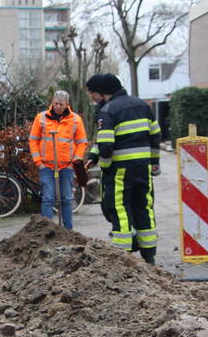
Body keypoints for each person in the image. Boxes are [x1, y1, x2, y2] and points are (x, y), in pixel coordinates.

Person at [85, 73, 160, 264]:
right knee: (144, 206)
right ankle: (149, 254)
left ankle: (122, 256)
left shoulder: (108, 111)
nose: (91, 97)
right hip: (143, 168)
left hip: (120, 170)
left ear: (102, 92)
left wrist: (105, 165)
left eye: (92, 93)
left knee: (119, 208)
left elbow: (107, 145)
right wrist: (154, 161)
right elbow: (155, 134)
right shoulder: (142, 105)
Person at [28, 90, 89, 229]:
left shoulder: (75, 119)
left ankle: (68, 231)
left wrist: (74, 163)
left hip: (66, 166)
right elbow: (33, 141)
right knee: (48, 199)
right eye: (55, 103)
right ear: (52, 102)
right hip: (47, 166)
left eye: (61, 104)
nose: (57, 106)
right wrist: (39, 162)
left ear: (67, 104)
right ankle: (46, 231)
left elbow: (82, 143)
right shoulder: (41, 118)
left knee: (67, 199)